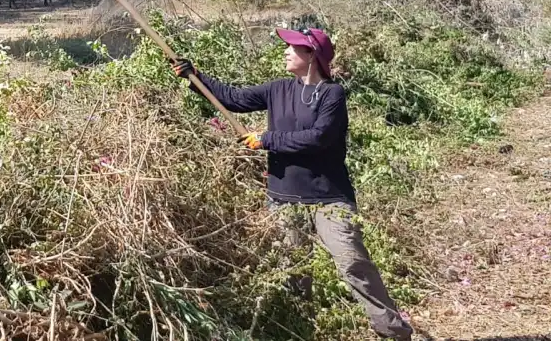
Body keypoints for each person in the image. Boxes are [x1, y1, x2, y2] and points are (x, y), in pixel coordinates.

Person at [171, 27, 414, 340]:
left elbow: (319, 138)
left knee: (353, 264)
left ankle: (394, 331)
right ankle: (301, 332)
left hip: (329, 199)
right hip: (284, 199)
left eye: (293, 48)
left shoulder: (332, 94)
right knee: (295, 276)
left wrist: (267, 139)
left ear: (312, 55)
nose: (286, 51)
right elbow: (232, 98)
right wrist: (195, 77)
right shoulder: (278, 89)